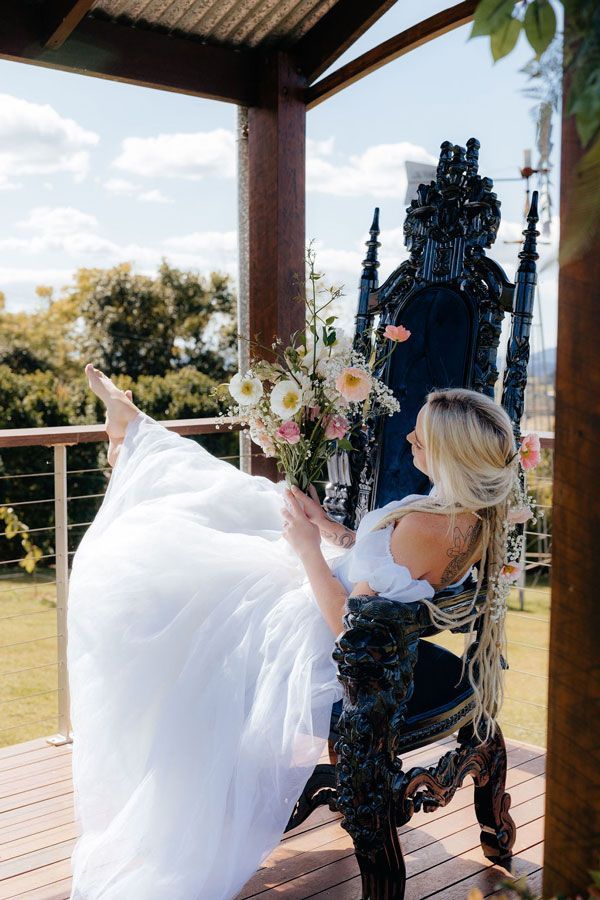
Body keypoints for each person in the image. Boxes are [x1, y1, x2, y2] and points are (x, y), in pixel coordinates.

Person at [66, 364, 517, 900]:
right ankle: (137, 434)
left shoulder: (429, 524)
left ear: (449, 450)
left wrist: (307, 548)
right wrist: (326, 527)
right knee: (249, 501)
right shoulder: (465, 513)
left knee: (167, 584)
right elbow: (387, 567)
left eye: (422, 433)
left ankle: (135, 442)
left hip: (329, 643)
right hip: (341, 596)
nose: (412, 438)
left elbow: (347, 628)